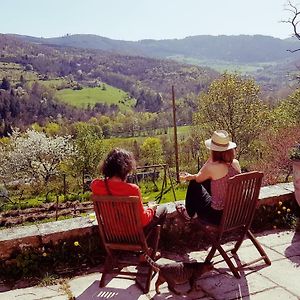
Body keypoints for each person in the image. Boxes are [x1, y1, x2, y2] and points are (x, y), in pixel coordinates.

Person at [91, 148, 167, 242]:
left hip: (112, 235)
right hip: (134, 235)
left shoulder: (96, 185)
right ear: (126, 168)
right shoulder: (132, 189)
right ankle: (148, 249)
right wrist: (151, 208)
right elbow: (143, 220)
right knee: (163, 209)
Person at [176, 130, 241, 225]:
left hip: (218, 217)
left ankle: (189, 214)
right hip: (236, 213)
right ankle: (190, 213)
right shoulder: (235, 163)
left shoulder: (212, 167)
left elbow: (198, 178)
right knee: (208, 181)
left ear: (214, 150)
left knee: (194, 183)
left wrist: (210, 160)